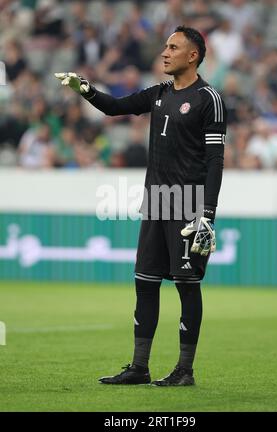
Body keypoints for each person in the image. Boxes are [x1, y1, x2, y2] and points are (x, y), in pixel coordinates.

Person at [55, 25, 227, 386]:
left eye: (173, 47)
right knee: (145, 283)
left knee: (186, 284)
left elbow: (215, 161)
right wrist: (84, 88)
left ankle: (184, 370)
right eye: (165, 46)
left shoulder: (208, 98)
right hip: (157, 204)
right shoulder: (159, 94)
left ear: (192, 55)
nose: (164, 52)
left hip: (188, 206)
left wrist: (206, 216)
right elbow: (115, 107)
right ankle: (139, 367)